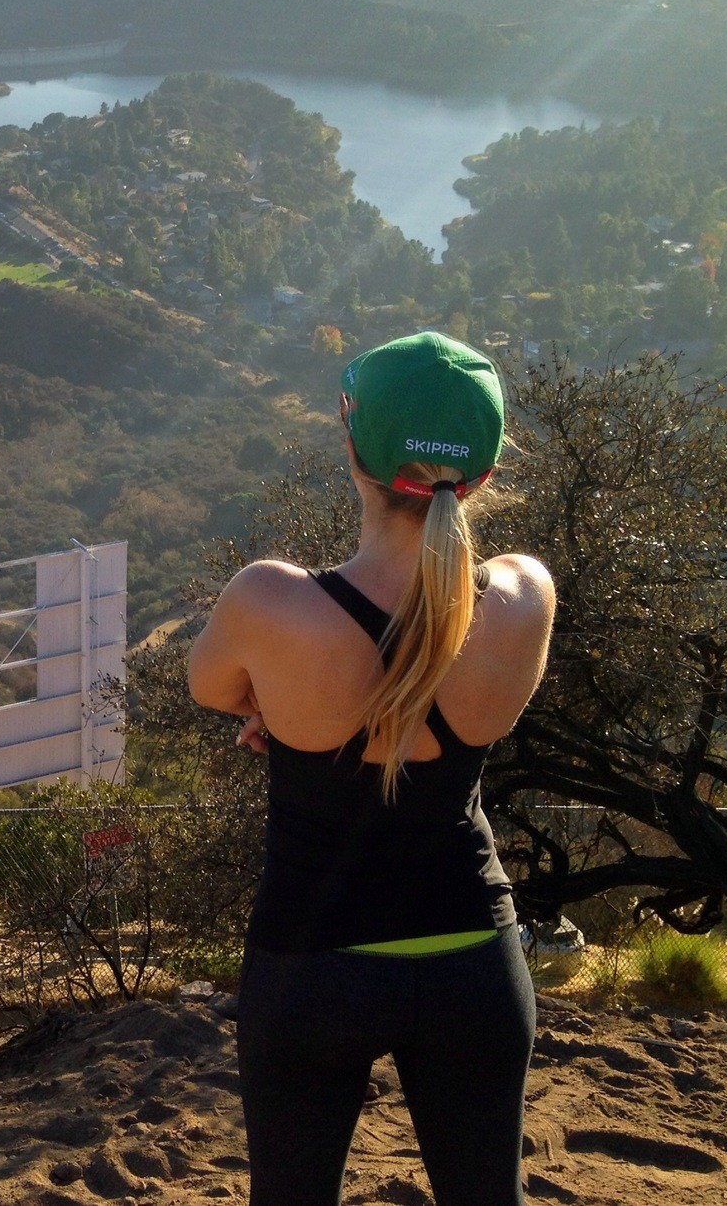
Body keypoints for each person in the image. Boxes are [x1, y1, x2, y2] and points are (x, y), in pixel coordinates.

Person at [187, 331, 556, 1206]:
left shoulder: (270, 602)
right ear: (488, 473)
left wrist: (281, 707)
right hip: (474, 957)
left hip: (312, 966)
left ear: (353, 452)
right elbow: (444, 671)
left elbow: (211, 687)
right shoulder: (525, 595)